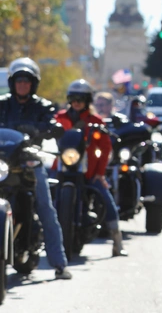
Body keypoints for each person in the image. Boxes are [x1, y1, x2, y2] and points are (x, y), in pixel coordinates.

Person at [0, 58, 72, 279]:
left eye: (27, 80)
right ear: (13, 83)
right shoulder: (2, 103)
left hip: (29, 160)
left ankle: (59, 264)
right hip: (4, 160)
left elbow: (52, 124)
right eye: (19, 80)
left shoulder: (42, 106)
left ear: (33, 84)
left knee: (45, 206)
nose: (23, 84)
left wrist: (40, 128)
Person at [55, 80, 127, 257]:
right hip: (62, 169)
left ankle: (117, 239)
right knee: (41, 192)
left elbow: (106, 148)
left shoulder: (96, 121)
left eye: (81, 98)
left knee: (103, 194)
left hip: (87, 172)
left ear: (88, 100)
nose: (77, 102)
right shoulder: (59, 118)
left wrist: (99, 173)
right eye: (73, 98)